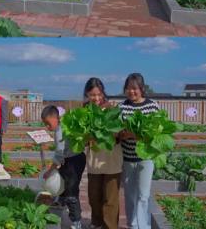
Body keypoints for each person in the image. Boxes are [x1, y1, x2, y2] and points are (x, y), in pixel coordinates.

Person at [118, 73, 160, 229]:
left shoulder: (152, 106)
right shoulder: (122, 107)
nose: (131, 92)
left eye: (134, 88)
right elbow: (117, 133)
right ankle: (132, 225)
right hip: (127, 158)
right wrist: (126, 134)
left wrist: (137, 134)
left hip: (146, 159)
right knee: (130, 195)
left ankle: (144, 226)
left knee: (143, 195)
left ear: (142, 89)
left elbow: (157, 133)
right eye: (128, 88)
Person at [84, 78, 122, 229]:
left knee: (110, 199)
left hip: (111, 159)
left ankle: (109, 226)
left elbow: (119, 132)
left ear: (103, 93)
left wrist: (109, 133)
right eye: (92, 95)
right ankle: (96, 223)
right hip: (94, 159)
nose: (96, 98)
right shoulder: (85, 111)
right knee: (94, 197)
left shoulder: (112, 110)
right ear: (87, 94)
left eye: (99, 94)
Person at [42, 105, 86, 229]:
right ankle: (60, 202)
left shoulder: (59, 131)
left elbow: (59, 153)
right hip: (71, 158)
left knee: (71, 190)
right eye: (45, 124)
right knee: (63, 180)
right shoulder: (60, 128)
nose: (47, 127)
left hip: (74, 160)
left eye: (48, 123)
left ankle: (76, 221)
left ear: (56, 118)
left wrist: (50, 170)